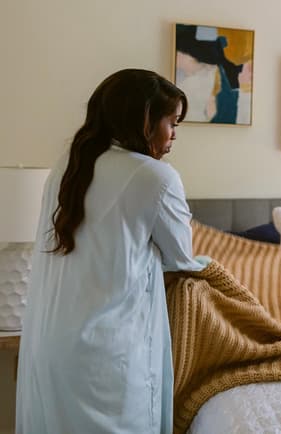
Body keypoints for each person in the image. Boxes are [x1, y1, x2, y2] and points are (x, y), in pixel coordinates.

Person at [16, 69, 206, 433]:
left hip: (50, 344)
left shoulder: (66, 166)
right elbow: (182, 258)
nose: (175, 134)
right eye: (171, 122)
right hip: (109, 353)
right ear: (145, 120)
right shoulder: (156, 177)